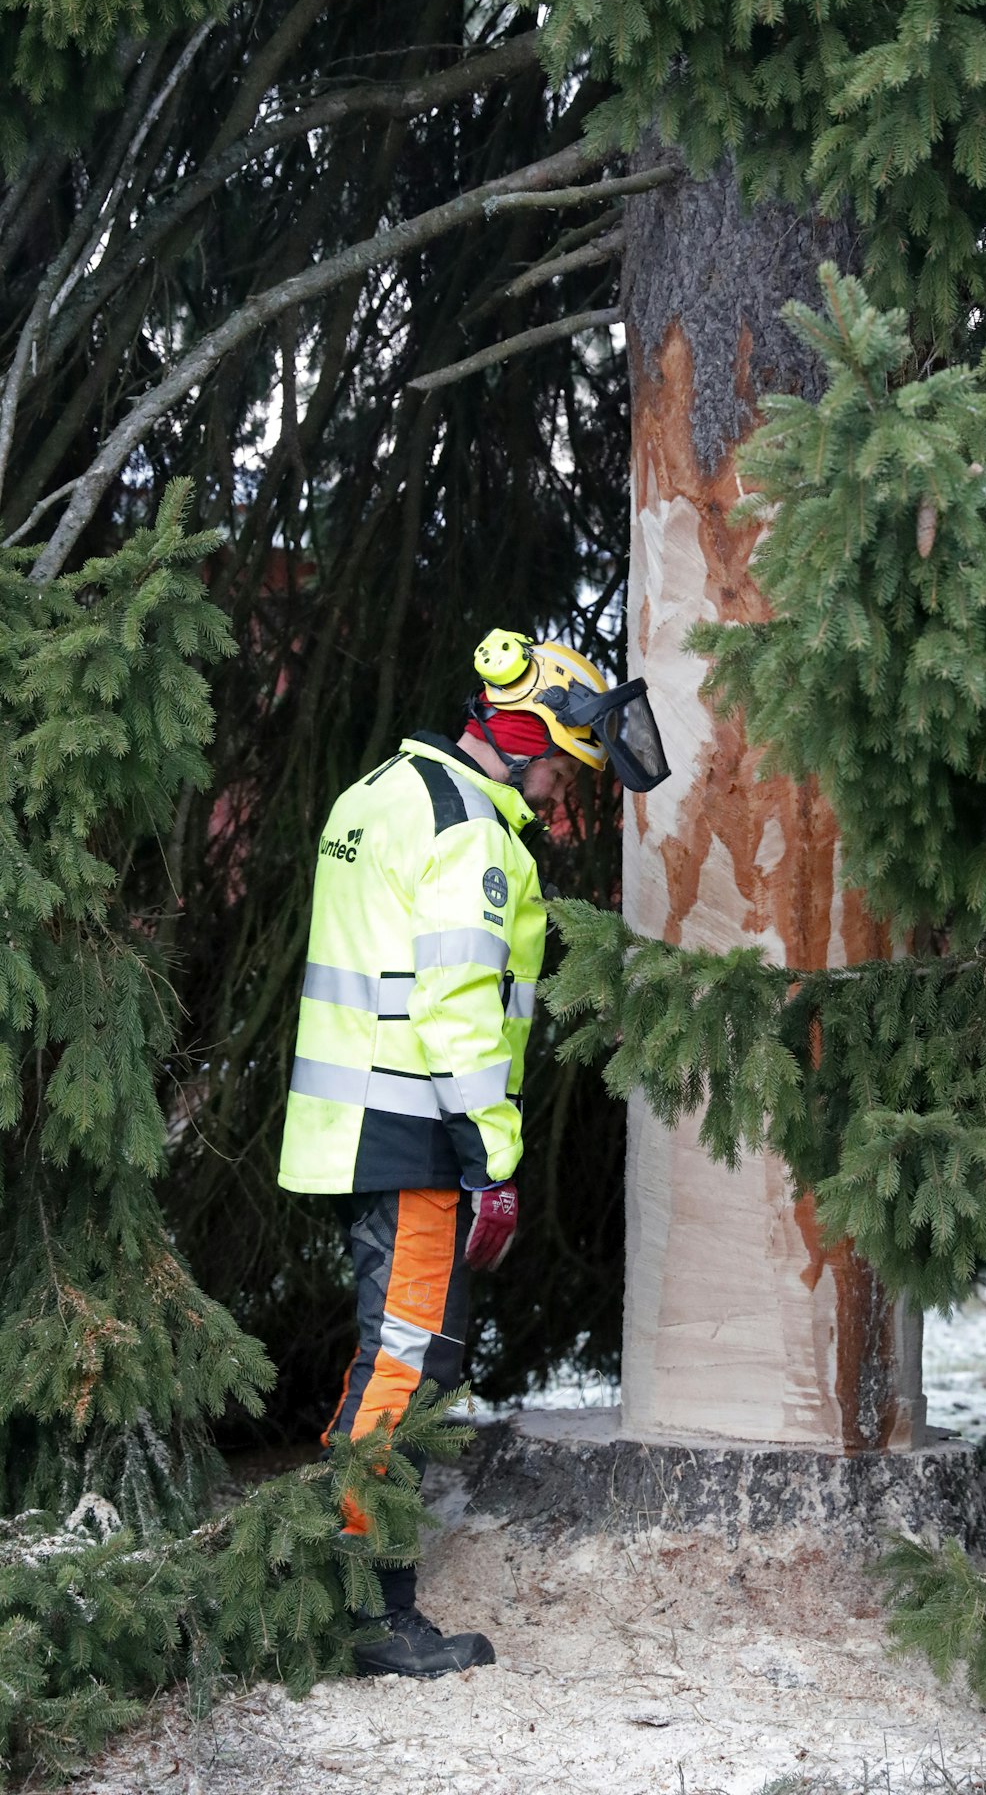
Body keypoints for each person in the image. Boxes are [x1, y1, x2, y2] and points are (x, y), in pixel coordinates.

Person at [277, 629, 668, 1679]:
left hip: (362, 1119)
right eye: (554, 766)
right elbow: (456, 1009)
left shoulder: (378, 792)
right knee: (405, 1358)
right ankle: (360, 1601)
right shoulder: (472, 832)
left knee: (397, 1352)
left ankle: (348, 1577)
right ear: (522, 732)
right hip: (418, 1127)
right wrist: (492, 1161)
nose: (553, 791)